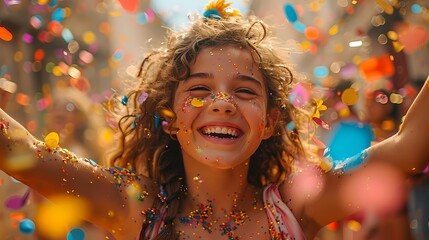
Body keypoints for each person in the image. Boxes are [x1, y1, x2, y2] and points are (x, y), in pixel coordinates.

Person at [0, 0, 429, 239]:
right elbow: (19, 150)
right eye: (199, 89)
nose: (222, 103)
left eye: (244, 91)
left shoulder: (299, 207)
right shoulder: (138, 209)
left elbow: (409, 148)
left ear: (269, 121)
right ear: (168, 117)